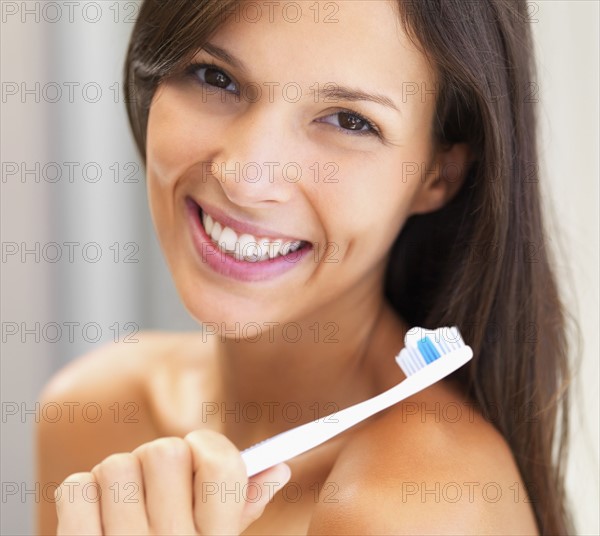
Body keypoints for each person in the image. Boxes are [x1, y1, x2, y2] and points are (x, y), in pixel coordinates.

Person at [36, 1, 574, 534]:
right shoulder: (90, 416)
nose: (245, 176)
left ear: (439, 175)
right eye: (215, 77)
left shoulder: (417, 507)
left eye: (348, 120)